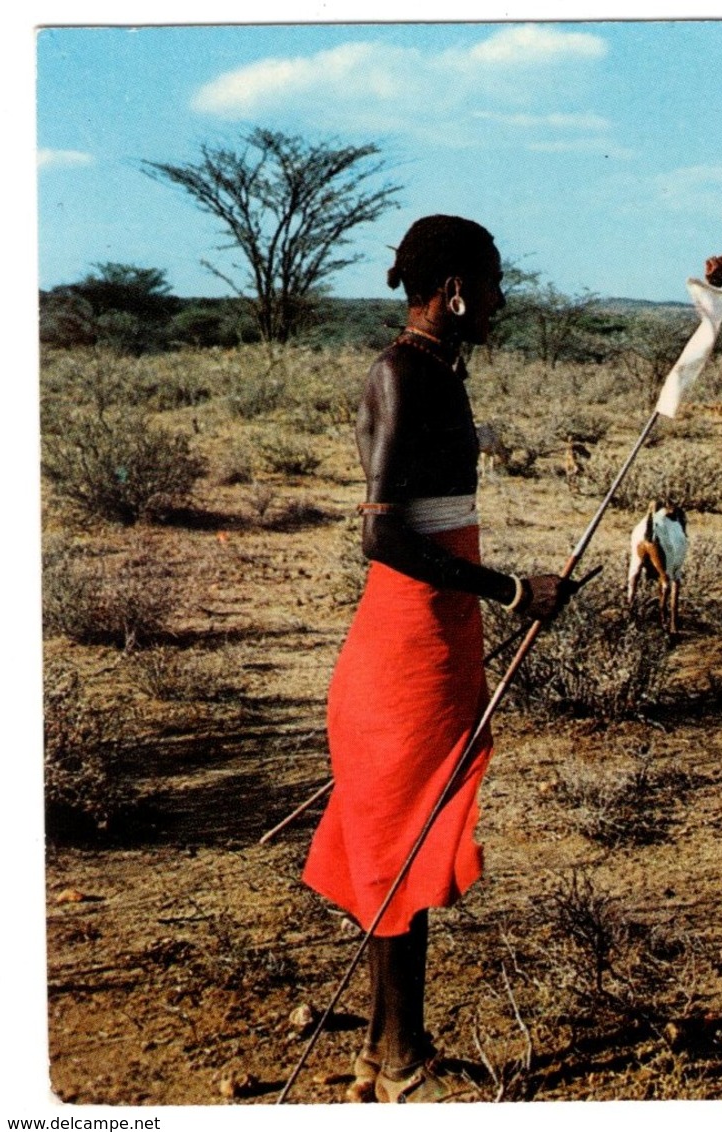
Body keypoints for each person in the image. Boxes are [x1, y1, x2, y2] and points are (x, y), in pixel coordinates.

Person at [302, 214, 570, 1103]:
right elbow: (380, 538)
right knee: (399, 846)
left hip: (439, 637)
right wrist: (508, 592)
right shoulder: (399, 374)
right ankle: (400, 1052)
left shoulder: (438, 373)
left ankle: (386, 1050)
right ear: (454, 289)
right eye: (492, 282)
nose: (501, 299)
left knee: (405, 845)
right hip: (404, 647)